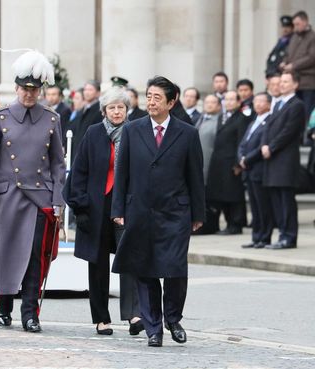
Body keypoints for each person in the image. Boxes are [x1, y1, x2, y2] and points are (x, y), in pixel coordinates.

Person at [111, 76, 205, 347]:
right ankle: (153, 327)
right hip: (140, 211)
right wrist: (118, 208)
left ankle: (173, 317)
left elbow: (195, 177)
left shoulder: (187, 133)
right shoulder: (132, 130)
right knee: (145, 270)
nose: (151, 102)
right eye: (149, 96)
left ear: (171, 102)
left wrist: (198, 214)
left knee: (175, 269)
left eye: (157, 98)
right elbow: (122, 172)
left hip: (175, 213)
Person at [0, 50, 66, 333]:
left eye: (34, 90)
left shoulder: (51, 119)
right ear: (16, 88)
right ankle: (4, 306)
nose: (29, 94)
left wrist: (58, 200)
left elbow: (58, 164)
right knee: (7, 253)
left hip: (38, 197)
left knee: (35, 256)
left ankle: (30, 313)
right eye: (25, 89)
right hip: (6, 196)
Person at [63, 87, 143, 337]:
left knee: (129, 259)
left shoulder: (136, 132)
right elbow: (79, 171)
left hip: (126, 207)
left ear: (127, 110)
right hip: (97, 208)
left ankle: (134, 314)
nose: (117, 112)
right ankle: (101, 319)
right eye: (112, 108)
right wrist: (80, 207)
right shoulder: (93, 133)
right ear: (104, 111)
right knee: (97, 265)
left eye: (121, 107)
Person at [261, 71, 306, 249]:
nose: (282, 85)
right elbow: (267, 128)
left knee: (286, 201)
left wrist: (271, 147)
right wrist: (264, 144)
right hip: (272, 159)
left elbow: (289, 131)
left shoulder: (297, 105)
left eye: (286, 82)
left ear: (295, 85)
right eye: (281, 82)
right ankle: (281, 235)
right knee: (276, 201)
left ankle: (289, 236)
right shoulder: (277, 104)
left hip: (285, 159)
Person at [207, 91, 249, 235]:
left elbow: (242, 141)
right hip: (219, 162)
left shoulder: (242, 118)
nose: (229, 102)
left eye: (232, 99)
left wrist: (238, 163)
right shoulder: (222, 117)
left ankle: (235, 224)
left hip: (232, 163)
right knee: (222, 194)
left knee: (234, 195)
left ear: (238, 102)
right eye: (226, 99)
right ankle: (228, 223)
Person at [238, 92, 274, 248]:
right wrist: (240, 158)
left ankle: (264, 237)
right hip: (248, 169)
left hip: (259, 168)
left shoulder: (270, 121)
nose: (257, 104)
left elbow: (261, 147)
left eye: (261, 101)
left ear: (269, 104)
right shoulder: (253, 122)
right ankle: (256, 237)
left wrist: (247, 159)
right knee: (254, 206)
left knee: (263, 206)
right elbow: (242, 144)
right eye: (256, 101)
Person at [193, 94, 222, 234]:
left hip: (210, 163)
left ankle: (210, 225)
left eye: (213, 102)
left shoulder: (219, 121)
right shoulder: (201, 118)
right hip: (198, 162)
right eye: (207, 102)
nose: (209, 105)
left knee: (210, 198)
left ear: (218, 105)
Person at [280, 11, 315, 121]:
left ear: (305, 22)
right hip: (294, 82)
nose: (295, 27)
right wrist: (284, 62)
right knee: (294, 114)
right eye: (294, 24)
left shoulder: (312, 37)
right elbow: (288, 53)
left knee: (306, 113)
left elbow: (311, 57)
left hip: (308, 82)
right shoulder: (294, 37)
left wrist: (293, 65)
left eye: (297, 24)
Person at [71, 80, 104, 156]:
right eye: (85, 89)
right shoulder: (82, 110)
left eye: (90, 90)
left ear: (98, 93)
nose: (87, 92)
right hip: (78, 150)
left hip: (90, 152)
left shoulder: (100, 110)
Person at [45, 84, 72, 149]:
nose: (50, 97)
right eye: (48, 94)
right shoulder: (44, 109)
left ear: (60, 96)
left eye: (54, 94)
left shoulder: (65, 110)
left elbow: (64, 129)